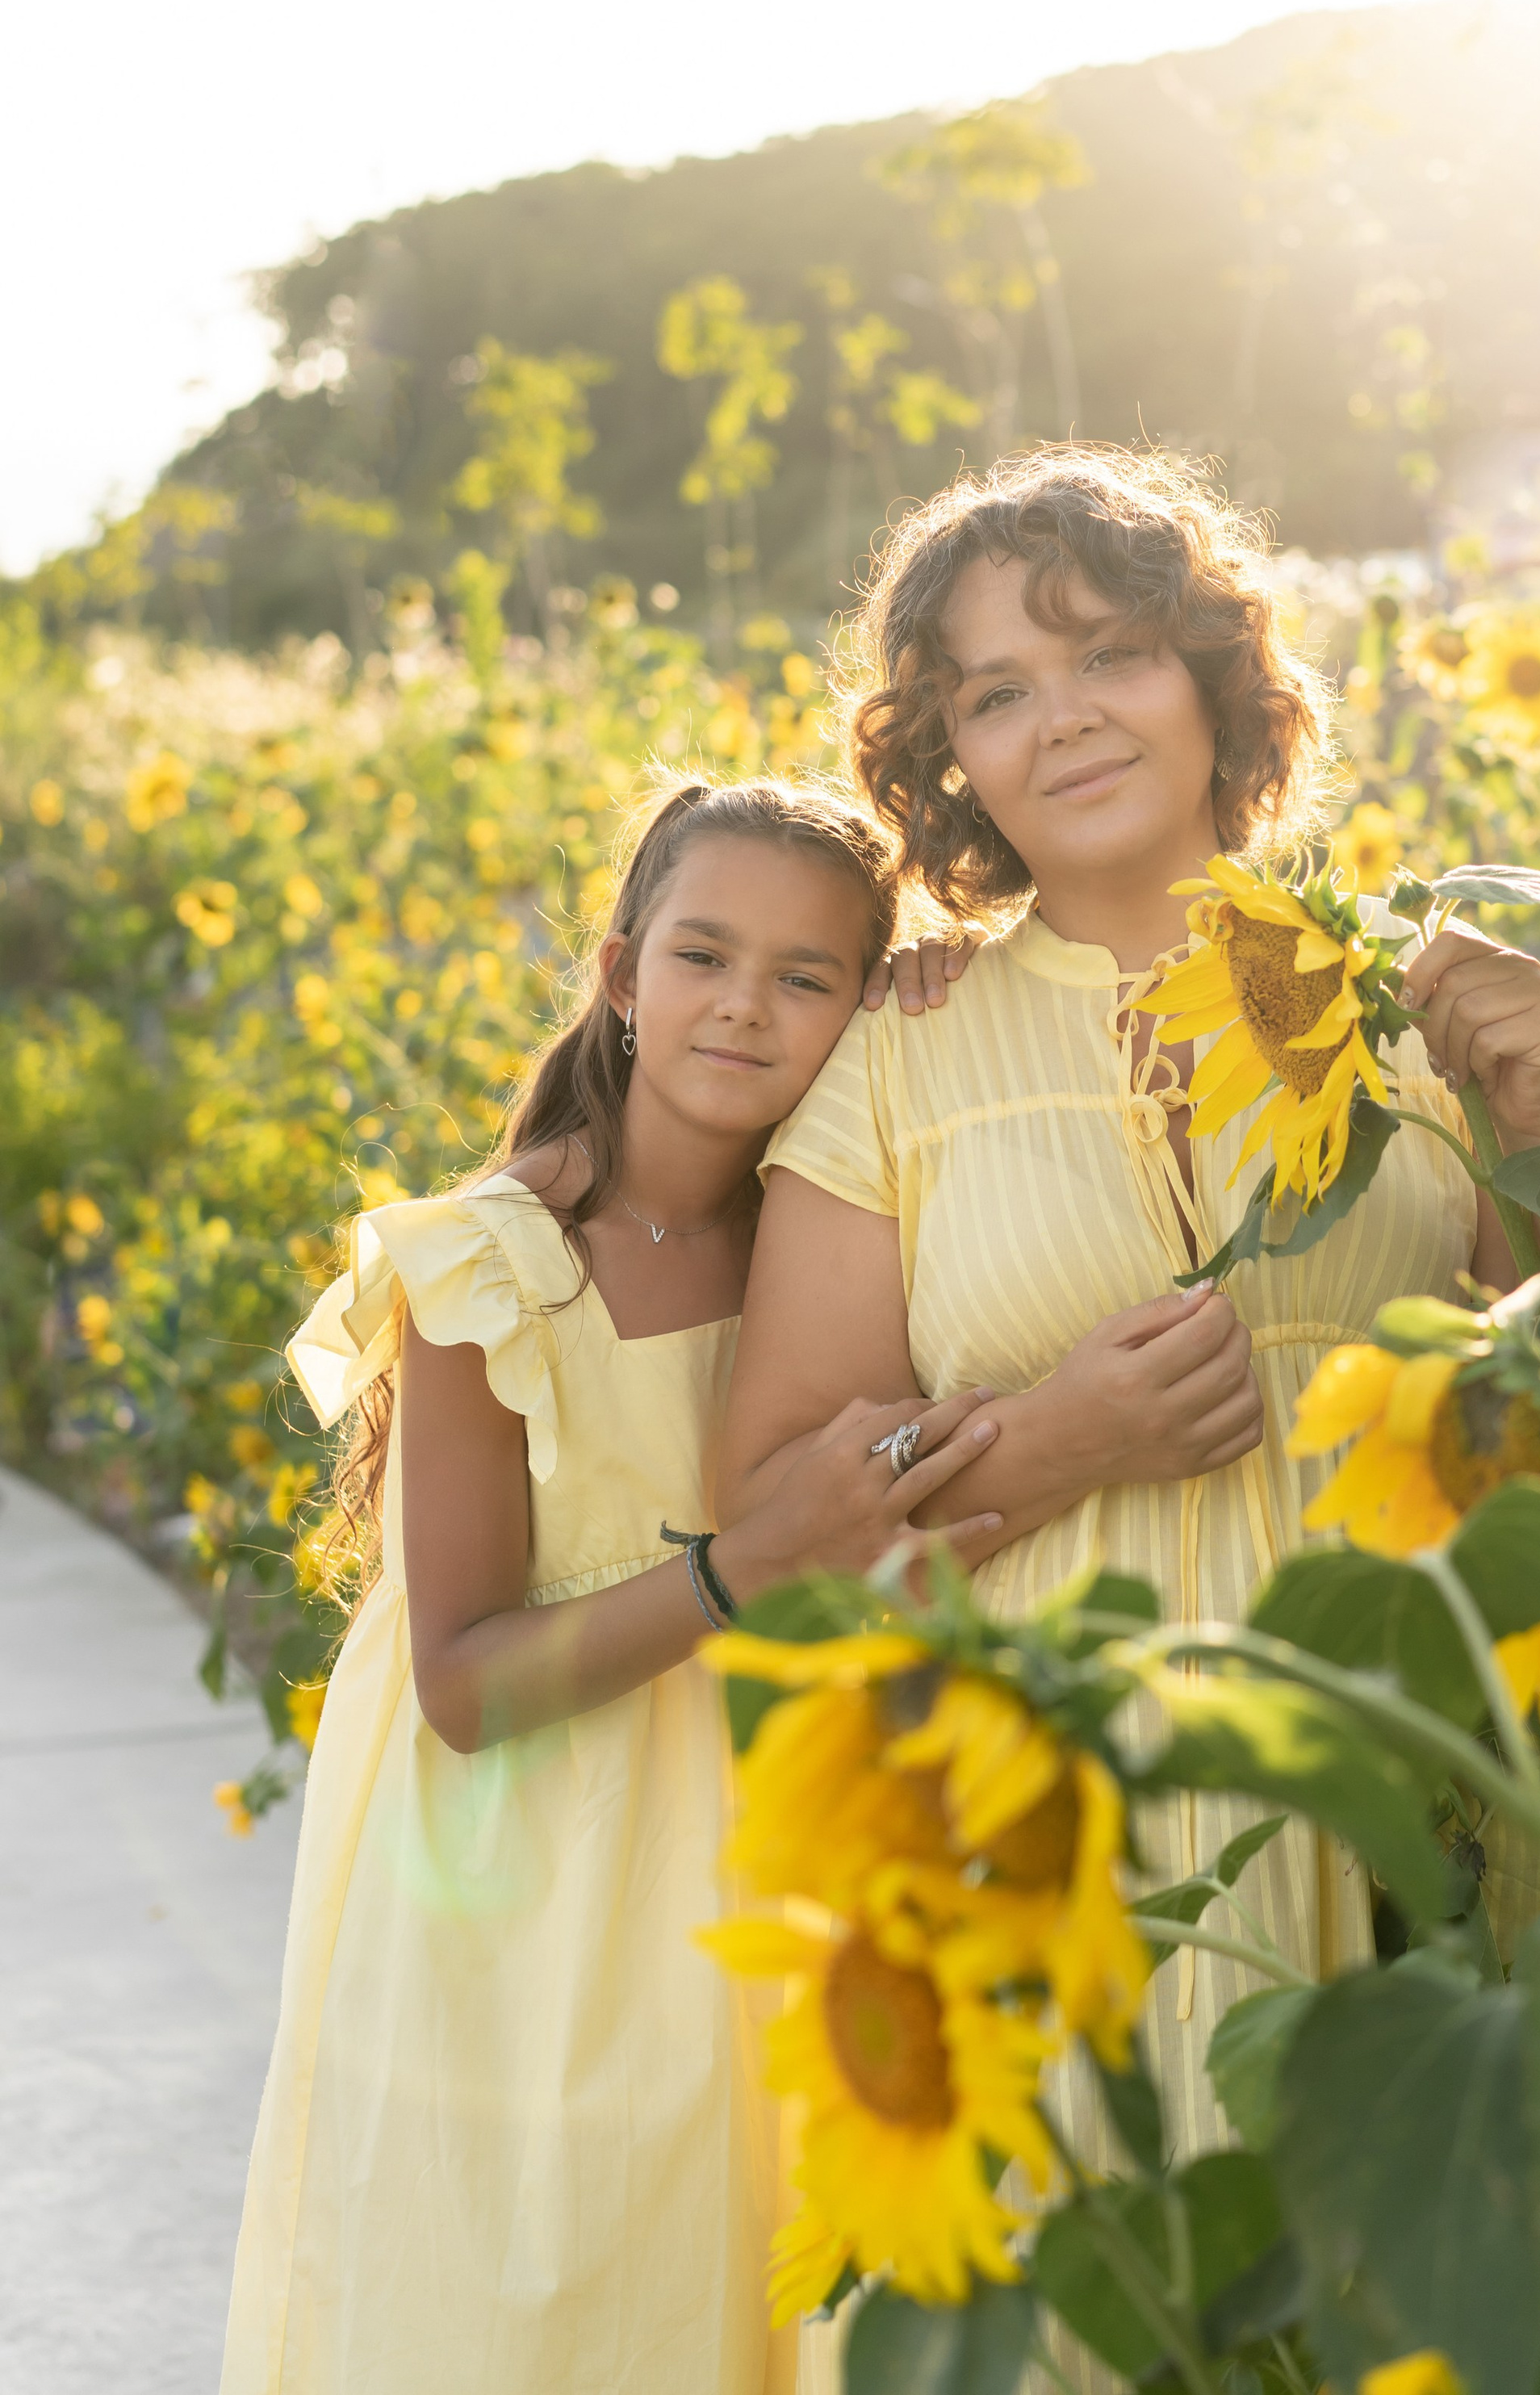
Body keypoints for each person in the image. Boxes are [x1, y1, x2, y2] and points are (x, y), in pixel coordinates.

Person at [718, 447, 1540, 2187]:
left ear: (1216, 678)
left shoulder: (1407, 990)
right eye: (997, 691)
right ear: (954, 759)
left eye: (1109, 655)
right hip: (1066, 1826)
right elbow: (773, 1531)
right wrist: (1040, 1447)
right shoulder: (896, 1057)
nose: (1060, 719)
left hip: (1421, 1754)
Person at [219, 776, 1008, 2395]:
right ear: (620, 971)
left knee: (745, 2279)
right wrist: (743, 1569)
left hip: (779, 1844)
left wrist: (951, 985)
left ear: (867, 1007)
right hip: (542, 1872)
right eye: (705, 956)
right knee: (550, 2300)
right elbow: (462, 1684)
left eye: (811, 978)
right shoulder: (488, 1267)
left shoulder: (853, 1240)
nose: (745, 1006)